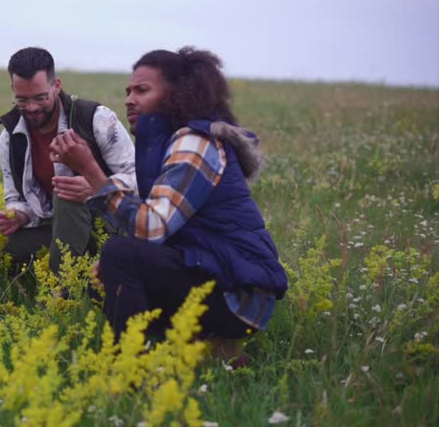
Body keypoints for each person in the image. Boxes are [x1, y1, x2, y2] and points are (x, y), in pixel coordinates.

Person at [50, 47, 288, 348]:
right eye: (128, 91)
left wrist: (90, 171)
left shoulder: (195, 143)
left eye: (142, 90)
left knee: (120, 255)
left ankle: (131, 370)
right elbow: (162, 230)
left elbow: (152, 226)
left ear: (177, 94)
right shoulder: (165, 143)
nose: (129, 99)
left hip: (238, 294)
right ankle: (205, 351)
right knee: (102, 277)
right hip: (217, 275)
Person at [0, 47, 136, 274]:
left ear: (56, 86)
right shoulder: (10, 138)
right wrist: (19, 215)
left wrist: (98, 187)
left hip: (109, 228)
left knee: (66, 191)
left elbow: (139, 177)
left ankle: (61, 292)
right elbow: (16, 198)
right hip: (55, 228)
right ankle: (23, 292)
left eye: (41, 98)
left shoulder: (97, 119)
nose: (31, 108)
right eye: (22, 99)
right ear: (12, 89)